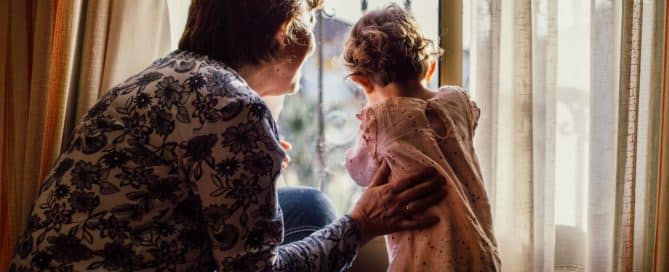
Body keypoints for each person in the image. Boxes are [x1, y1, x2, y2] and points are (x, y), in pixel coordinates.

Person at [9, 1, 446, 271]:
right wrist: (361, 224)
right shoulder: (235, 107)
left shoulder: (165, 74)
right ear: (282, 33)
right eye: (308, 21)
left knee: (308, 204)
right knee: (321, 216)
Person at [343, 5, 500, 271]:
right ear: (430, 69)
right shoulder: (456, 100)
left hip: (425, 260)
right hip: (479, 250)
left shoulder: (380, 120)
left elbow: (361, 172)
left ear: (362, 82)